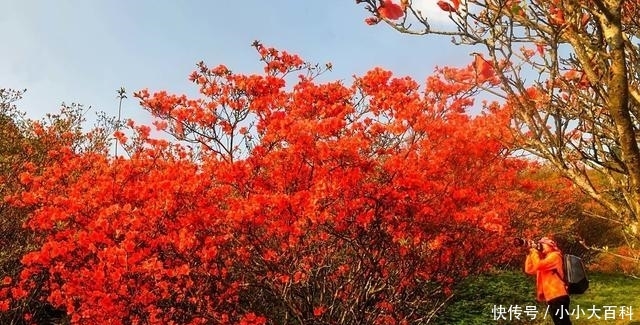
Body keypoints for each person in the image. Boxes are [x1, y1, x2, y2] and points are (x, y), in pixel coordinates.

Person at [524, 237, 572, 325]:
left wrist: (534, 251)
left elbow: (538, 265)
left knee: (562, 323)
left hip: (558, 295)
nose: (541, 246)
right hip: (551, 297)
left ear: (550, 246)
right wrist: (529, 254)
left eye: (543, 244)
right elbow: (529, 269)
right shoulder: (545, 259)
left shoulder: (555, 256)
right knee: (559, 322)